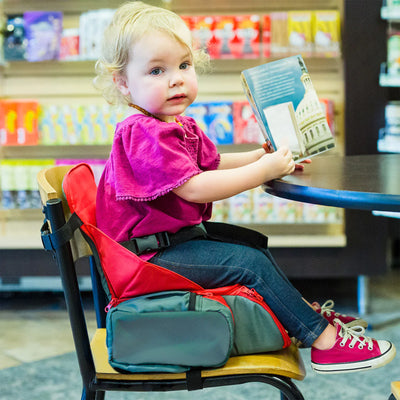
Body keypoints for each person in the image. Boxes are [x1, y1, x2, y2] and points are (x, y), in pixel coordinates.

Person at [94, 1, 396, 374]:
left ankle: (300, 317)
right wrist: (263, 170)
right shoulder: (143, 132)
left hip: (166, 246)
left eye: (184, 66)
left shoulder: (174, 124)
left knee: (249, 247)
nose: (176, 79)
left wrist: (259, 156)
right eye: (157, 70)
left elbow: (212, 163)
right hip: (144, 260)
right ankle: (324, 343)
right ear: (123, 83)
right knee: (247, 264)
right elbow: (194, 187)